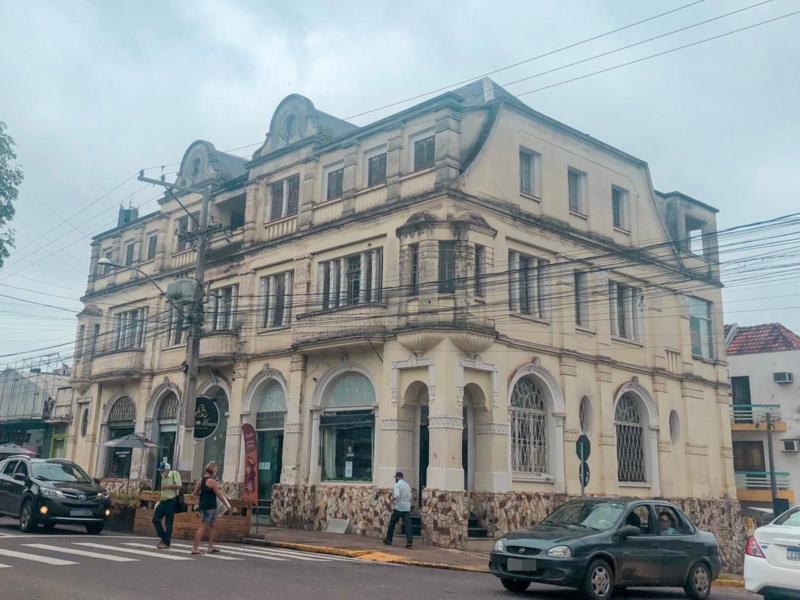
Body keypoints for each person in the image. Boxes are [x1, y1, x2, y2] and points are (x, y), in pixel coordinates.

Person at [191, 462, 231, 555]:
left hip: (203, 505)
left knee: (212, 525)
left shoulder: (201, 480)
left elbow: (195, 492)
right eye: (216, 470)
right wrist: (227, 505)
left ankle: (210, 546)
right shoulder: (212, 481)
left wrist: (203, 493)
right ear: (213, 471)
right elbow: (219, 494)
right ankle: (195, 548)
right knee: (203, 527)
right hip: (210, 506)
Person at [153, 462, 181, 549]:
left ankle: (167, 542)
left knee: (168, 523)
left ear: (167, 469)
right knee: (155, 519)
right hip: (163, 500)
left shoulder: (174, 474)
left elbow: (179, 485)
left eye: (163, 470)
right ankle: (164, 537)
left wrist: (168, 486)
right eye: (161, 471)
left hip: (171, 501)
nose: (161, 472)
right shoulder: (163, 476)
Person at [383, 471, 413, 549]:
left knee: (392, 523)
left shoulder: (397, 485)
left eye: (395, 477)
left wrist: (390, 502)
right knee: (408, 525)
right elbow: (410, 496)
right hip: (407, 508)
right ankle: (409, 541)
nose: (395, 479)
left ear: (397, 477)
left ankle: (388, 540)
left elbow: (396, 495)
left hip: (399, 507)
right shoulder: (407, 485)